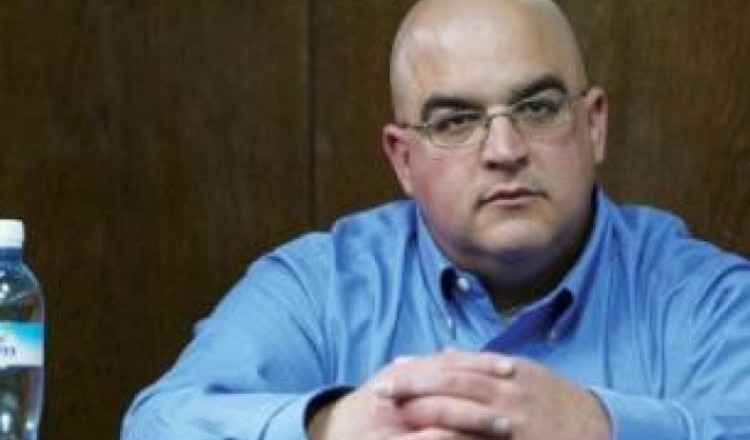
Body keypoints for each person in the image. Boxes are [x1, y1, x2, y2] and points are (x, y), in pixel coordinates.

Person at [122, 0, 750, 438]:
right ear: (404, 158)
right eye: (456, 121)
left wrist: (604, 429)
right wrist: (329, 428)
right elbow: (157, 424)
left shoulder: (709, 298)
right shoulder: (318, 287)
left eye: (537, 108)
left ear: (593, 125)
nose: (504, 150)